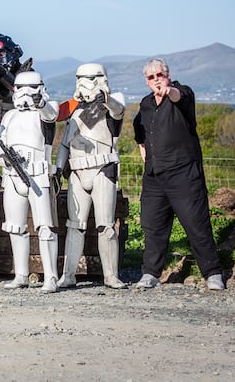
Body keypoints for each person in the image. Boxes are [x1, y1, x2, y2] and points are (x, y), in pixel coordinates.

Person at [132, 58, 225, 291]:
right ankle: (151, 273)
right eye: (151, 77)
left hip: (183, 172)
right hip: (154, 175)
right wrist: (142, 148)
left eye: (159, 75)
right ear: (146, 80)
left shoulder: (182, 93)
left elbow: (177, 96)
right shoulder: (145, 104)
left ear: (168, 74)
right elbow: (139, 130)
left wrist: (169, 90)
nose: (156, 80)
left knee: (196, 224)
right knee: (152, 226)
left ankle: (212, 273)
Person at [56, 63, 126, 289]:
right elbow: (66, 142)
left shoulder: (111, 103)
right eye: (80, 78)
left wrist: (103, 97)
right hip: (76, 171)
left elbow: (118, 110)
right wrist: (57, 168)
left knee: (106, 225)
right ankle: (68, 275)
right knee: (74, 225)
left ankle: (111, 275)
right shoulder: (75, 109)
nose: (84, 83)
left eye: (89, 78)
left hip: (102, 169)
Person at [0, 71, 60, 293]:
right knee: (15, 227)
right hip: (13, 176)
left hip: (38, 175)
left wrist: (40, 103)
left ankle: (51, 276)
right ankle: (21, 274)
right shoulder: (9, 116)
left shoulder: (44, 111)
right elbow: (0, 144)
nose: (25, 93)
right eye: (20, 88)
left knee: (45, 228)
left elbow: (50, 115)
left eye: (30, 88)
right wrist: (2, 158)